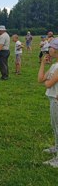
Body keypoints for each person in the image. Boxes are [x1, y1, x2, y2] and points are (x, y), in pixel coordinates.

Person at [38, 38, 58, 168]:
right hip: (52, 98)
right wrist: (43, 64)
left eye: (50, 47)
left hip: (56, 100)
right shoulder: (54, 66)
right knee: (55, 125)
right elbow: (40, 79)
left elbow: (48, 84)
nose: (48, 49)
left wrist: (48, 81)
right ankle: (56, 147)